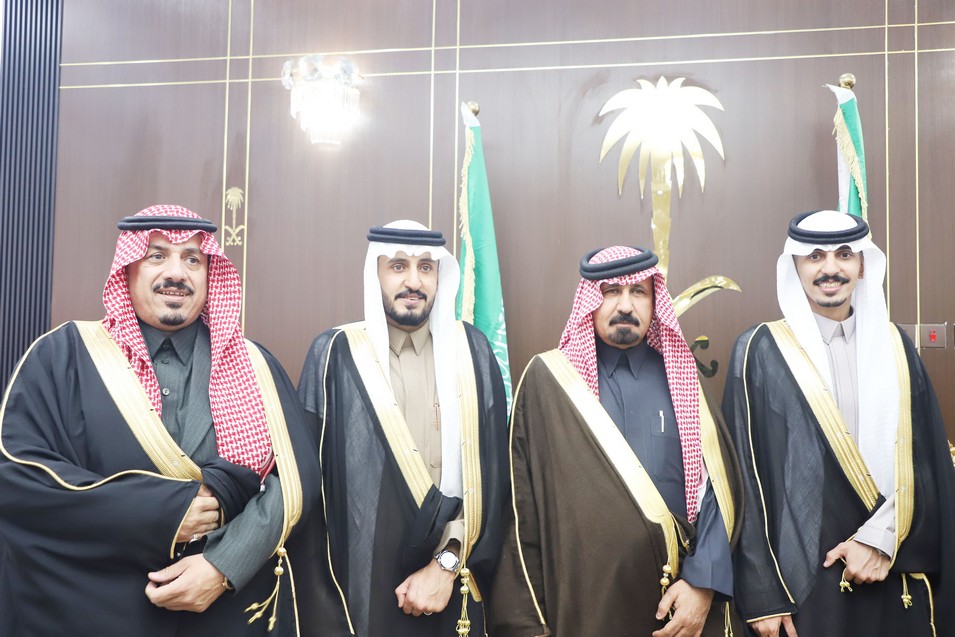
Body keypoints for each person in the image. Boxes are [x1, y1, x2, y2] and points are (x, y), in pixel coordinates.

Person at [0, 205, 319, 636]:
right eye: (157, 255)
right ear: (127, 268)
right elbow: (20, 477)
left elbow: (296, 480)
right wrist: (162, 514)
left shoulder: (255, 365)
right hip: (96, 607)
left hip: (225, 611)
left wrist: (224, 564)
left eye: (192, 259)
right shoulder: (62, 356)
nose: (176, 273)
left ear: (210, 273)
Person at [723, 209, 955, 636]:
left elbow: (926, 460)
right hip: (802, 586)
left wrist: (879, 539)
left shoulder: (896, 347)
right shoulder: (761, 350)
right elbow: (744, 477)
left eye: (845, 254)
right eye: (814, 256)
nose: (830, 268)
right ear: (795, 266)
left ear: (863, 265)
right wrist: (763, 594)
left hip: (889, 568)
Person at [489, 245, 741, 637]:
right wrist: (528, 625)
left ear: (655, 302)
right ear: (590, 300)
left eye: (638, 291)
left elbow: (718, 492)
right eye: (611, 292)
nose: (625, 305)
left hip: (679, 606)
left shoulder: (684, 377)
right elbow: (522, 513)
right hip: (584, 608)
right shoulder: (548, 381)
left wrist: (702, 582)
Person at [295, 220, 508, 637]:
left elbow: (495, 481)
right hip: (360, 588)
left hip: (453, 584)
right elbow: (310, 494)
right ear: (374, 273)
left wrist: (447, 562)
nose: (414, 281)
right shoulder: (336, 355)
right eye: (398, 266)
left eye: (426, 267)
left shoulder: (472, 353)